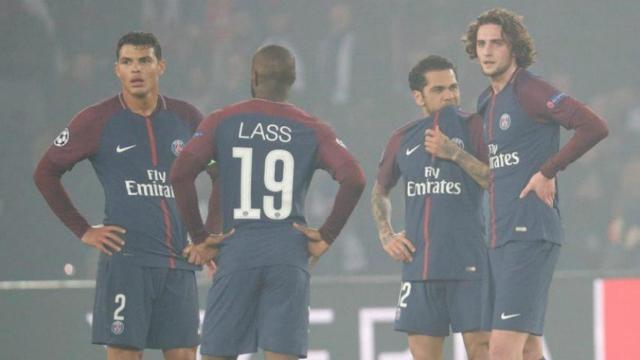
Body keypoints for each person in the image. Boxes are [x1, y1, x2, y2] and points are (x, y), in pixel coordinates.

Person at [170, 44, 366, 360]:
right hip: (289, 255)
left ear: (253, 75)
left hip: (237, 252)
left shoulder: (222, 120)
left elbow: (180, 174)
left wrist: (201, 238)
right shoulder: (312, 128)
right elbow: (354, 177)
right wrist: (327, 235)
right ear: (292, 79)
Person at [33, 32, 217, 360]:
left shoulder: (186, 117)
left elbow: (223, 176)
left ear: (160, 66)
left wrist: (207, 238)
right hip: (126, 264)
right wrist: (83, 230)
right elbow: (45, 172)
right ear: (116, 70)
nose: (135, 69)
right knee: (123, 355)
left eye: (144, 61)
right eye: (127, 62)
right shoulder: (97, 119)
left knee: (185, 355)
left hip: (178, 264)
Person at [455, 8, 608, 360]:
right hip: (499, 236)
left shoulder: (530, 89)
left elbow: (594, 125)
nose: (488, 51)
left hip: (530, 233)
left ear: (514, 48)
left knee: (502, 351)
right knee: (527, 349)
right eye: (481, 44)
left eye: (497, 43)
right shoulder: (485, 101)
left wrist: (549, 170)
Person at [372, 55, 490, 360]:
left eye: (453, 87)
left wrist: (455, 153)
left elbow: (496, 181)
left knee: (482, 349)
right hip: (421, 265)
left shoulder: (475, 126)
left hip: (470, 263)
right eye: (438, 89)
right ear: (418, 96)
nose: (449, 95)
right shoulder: (402, 138)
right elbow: (380, 190)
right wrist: (386, 233)